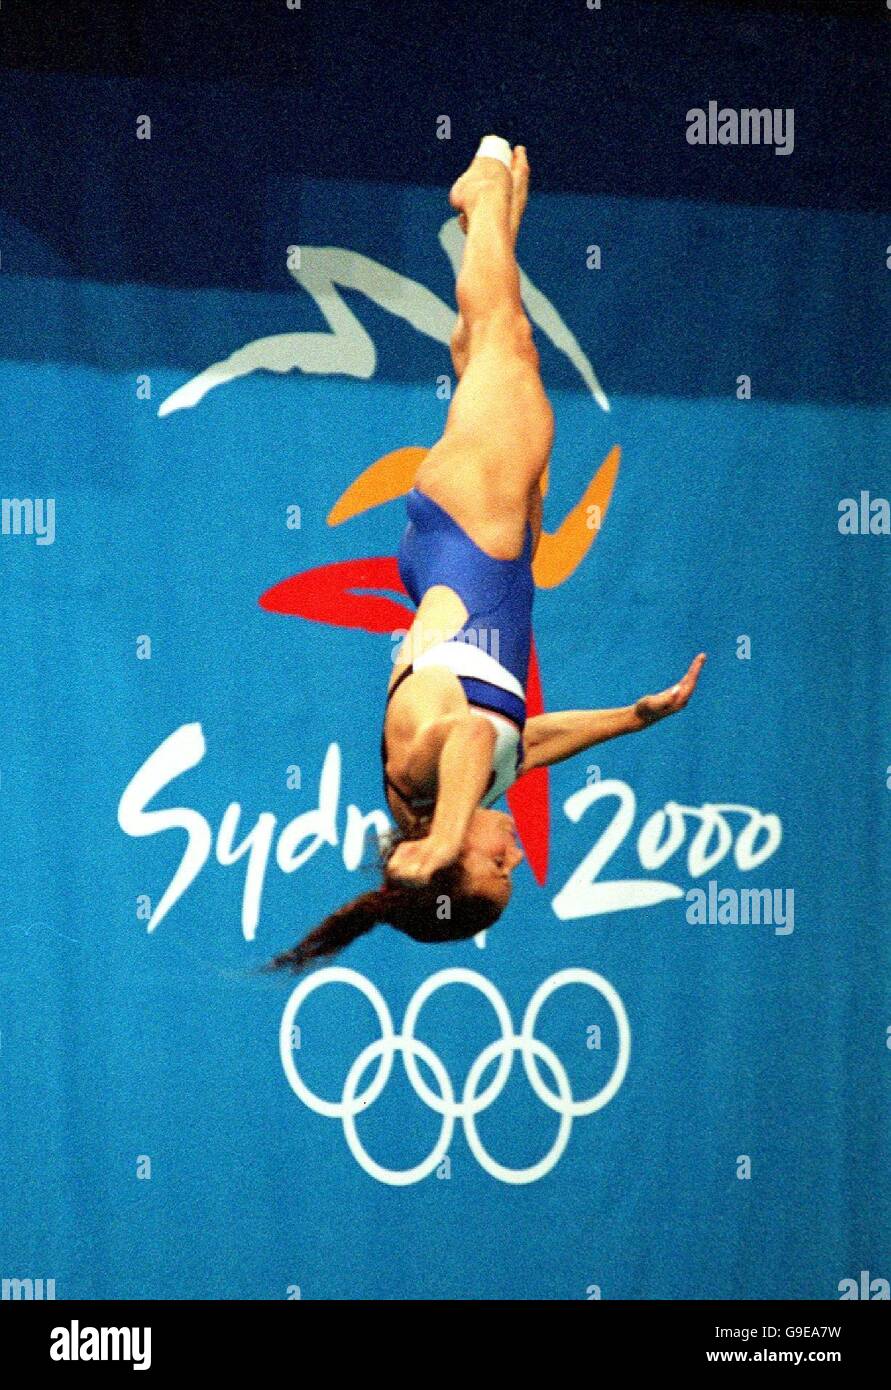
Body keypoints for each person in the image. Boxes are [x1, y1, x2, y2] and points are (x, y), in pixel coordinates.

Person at [266, 137, 704, 973]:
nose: (514, 855)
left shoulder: (424, 762)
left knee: (507, 346)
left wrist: (432, 857)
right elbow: (522, 743)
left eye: (496, 867)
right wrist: (631, 719)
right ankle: (490, 222)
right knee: (485, 356)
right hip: (481, 549)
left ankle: (484, 201)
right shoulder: (448, 790)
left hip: (472, 532)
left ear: (444, 859)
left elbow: (474, 733)